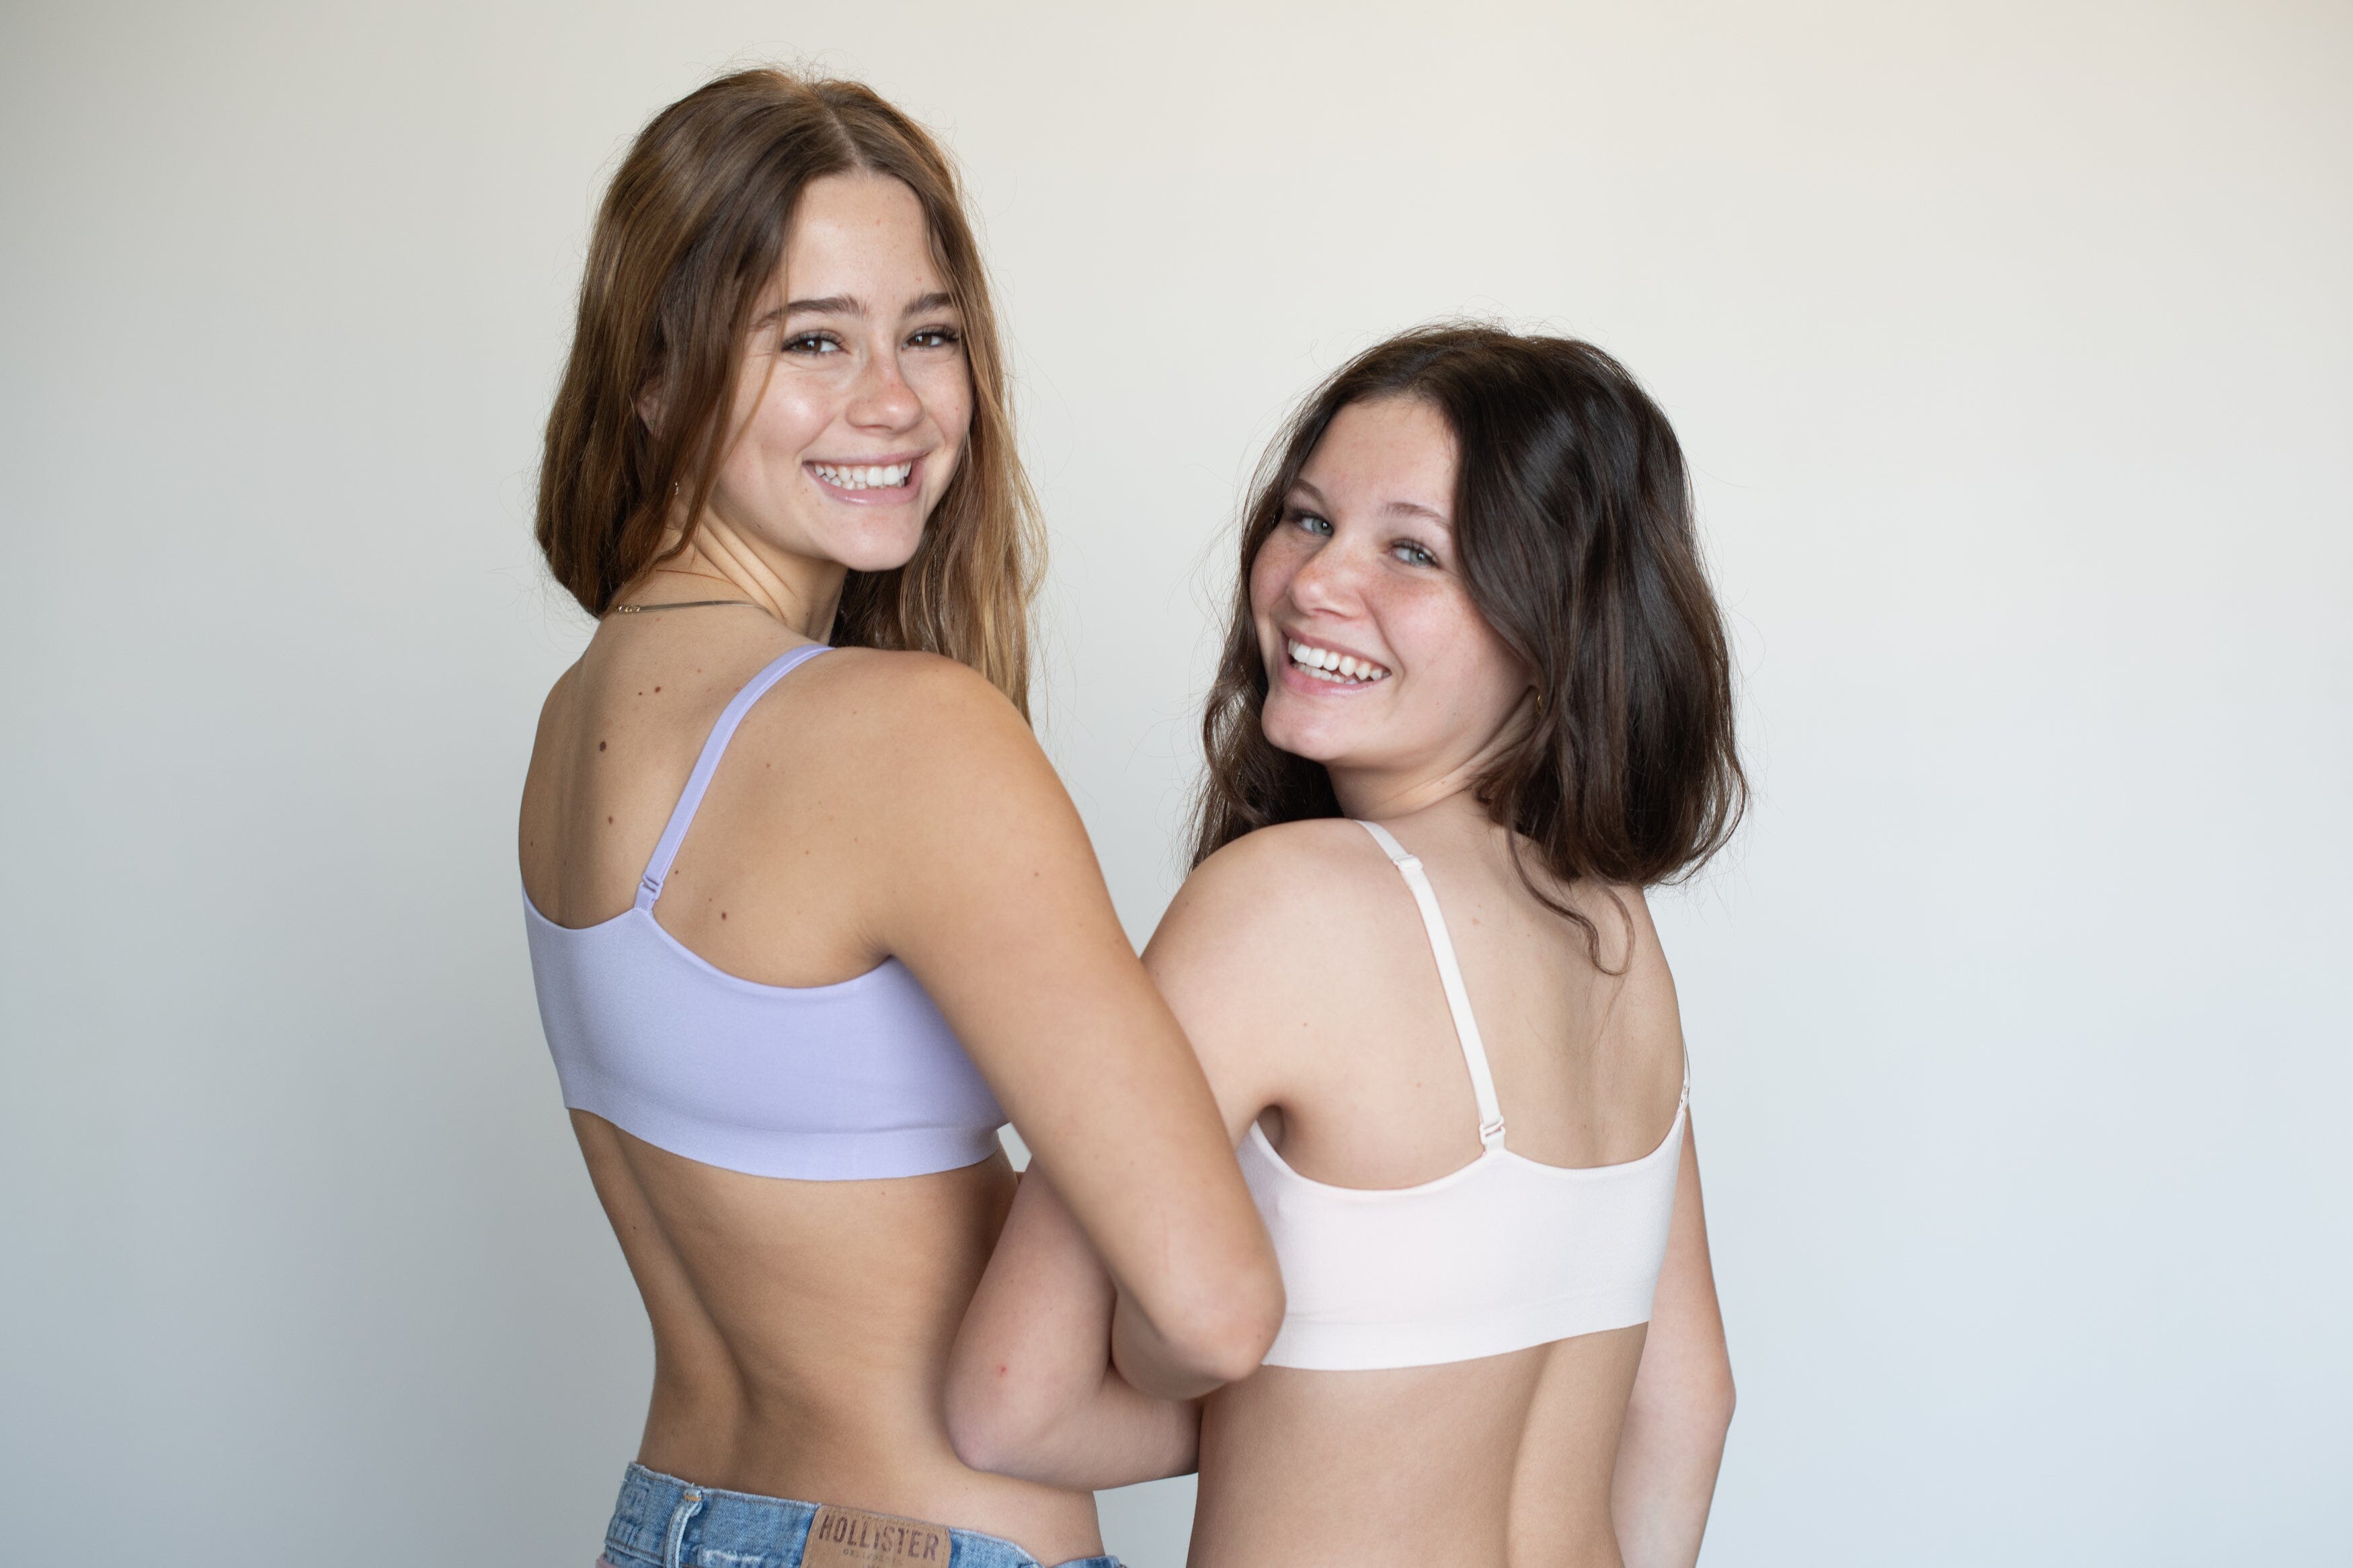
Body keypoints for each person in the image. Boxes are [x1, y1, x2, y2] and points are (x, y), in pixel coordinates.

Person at [519, 69, 1281, 1568]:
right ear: (655, 376)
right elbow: (1209, 1305)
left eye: (928, 333)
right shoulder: (904, 736)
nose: (896, 402)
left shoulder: (578, 719)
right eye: (813, 340)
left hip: (669, 1519)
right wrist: (1403, 1389)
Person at [946, 325, 1743, 1568]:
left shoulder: (1281, 906)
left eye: (1413, 550)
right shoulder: (1615, 933)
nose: (1316, 582)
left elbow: (1011, 1400)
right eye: (1308, 520)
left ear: (1555, 622)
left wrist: (1283, 1403)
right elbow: (1686, 1406)